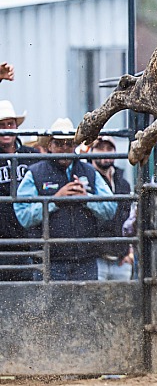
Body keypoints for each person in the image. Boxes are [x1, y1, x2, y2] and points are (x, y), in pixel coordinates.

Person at [14, 118, 117, 281]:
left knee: (86, 305)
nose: (64, 148)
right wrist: (55, 200)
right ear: (50, 145)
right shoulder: (35, 173)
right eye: (59, 143)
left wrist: (86, 199)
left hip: (86, 259)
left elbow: (110, 208)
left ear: (75, 146)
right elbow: (24, 215)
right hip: (49, 260)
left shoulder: (89, 172)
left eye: (69, 143)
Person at [0, 100, 36, 281]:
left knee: (28, 285)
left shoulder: (32, 156)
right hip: (2, 236)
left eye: (10, 124)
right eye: (2, 125)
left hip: (28, 238)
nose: (6, 129)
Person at [90, 136, 134, 280]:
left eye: (109, 149)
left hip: (121, 258)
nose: (105, 152)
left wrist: (130, 252)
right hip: (96, 258)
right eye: (100, 148)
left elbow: (130, 219)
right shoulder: (87, 181)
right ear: (91, 151)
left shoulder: (123, 183)